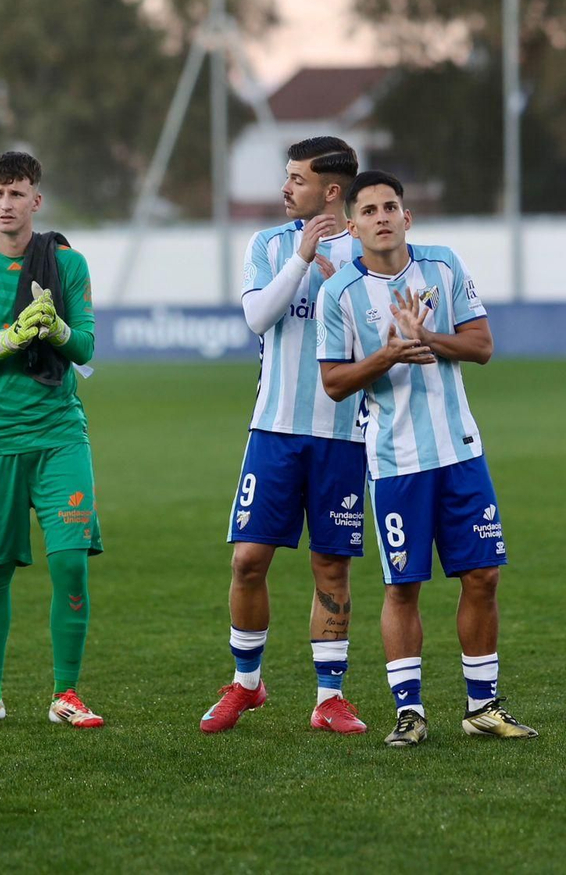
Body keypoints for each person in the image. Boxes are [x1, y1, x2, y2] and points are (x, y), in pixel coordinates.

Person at [317, 170, 537, 747]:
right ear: (353, 224)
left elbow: (482, 346)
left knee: (483, 575)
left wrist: (427, 339)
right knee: (403, 587)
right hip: (395, 460)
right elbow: (335, 383)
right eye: (369, 210)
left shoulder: (442, 266)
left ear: (407, 217)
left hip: (461, 450)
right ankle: (409, 711)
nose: (382, 217)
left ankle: (483, 705)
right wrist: (389, 354)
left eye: (391, 206)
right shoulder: (338, 293)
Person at [202, 137, 370, 736]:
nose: (285, 187)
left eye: (297, 179)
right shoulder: (270, 244)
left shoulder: (366, 249)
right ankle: (247, 685)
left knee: (332, 566)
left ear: (331, 191)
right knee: (249, 560)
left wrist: (337, 279)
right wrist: (302, 259)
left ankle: (330, 698)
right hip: (272, 431)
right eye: (287, 175)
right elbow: (256, 317)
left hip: (341, 435)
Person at [0, 150, 105, 728]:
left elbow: (84, 347)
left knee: (71, 567)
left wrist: (55, 327)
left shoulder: (67, 264)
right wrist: (9, 339)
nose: (7, 204)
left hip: (61, 438)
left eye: (18, 193)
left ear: (37, 200)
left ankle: (68, 693)